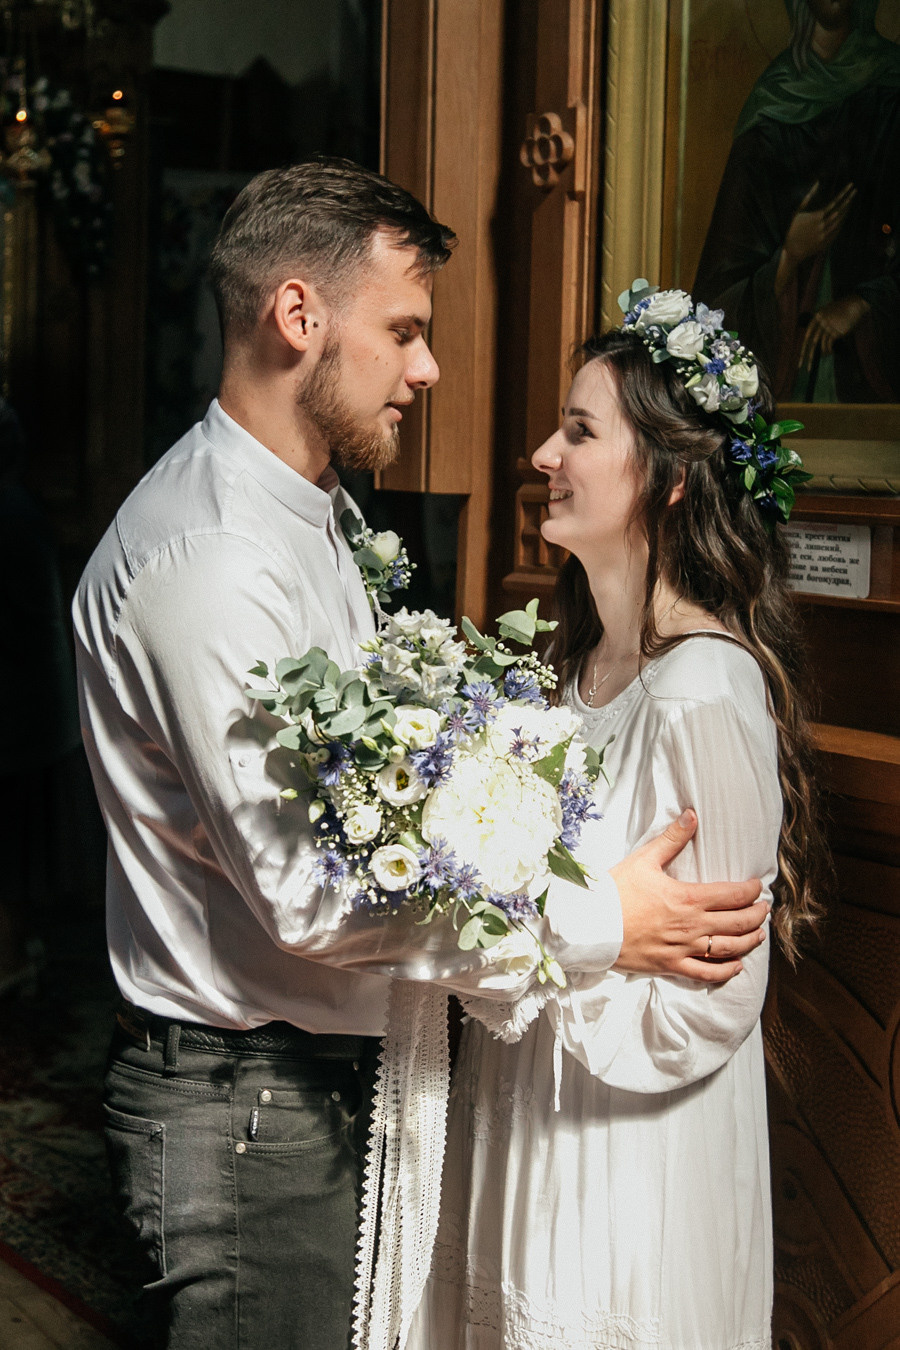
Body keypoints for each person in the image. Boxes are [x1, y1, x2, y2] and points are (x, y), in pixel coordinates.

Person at [73, 165, 768, 1350]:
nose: (429, 368)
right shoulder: (212, 557)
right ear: (301, 318)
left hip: (358, 1090)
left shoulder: (318, 515)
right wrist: (599, 926)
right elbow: (306, 890)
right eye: (404, 329)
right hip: (254, 1104)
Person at [409, 284, 830, 1349]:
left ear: (674, 482)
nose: (546, 452)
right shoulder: (564, 673)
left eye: (581, 432)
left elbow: (712, 1001)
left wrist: (549, 978)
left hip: (632, 1162)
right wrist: (563, 946)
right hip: (526, 1115)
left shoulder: (704, 692)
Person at [693, 0, 900, 403]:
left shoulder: (893, 92)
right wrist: (788, 256)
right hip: (787, 383)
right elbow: (715, 305)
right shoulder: (769, 112)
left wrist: (864, 302)